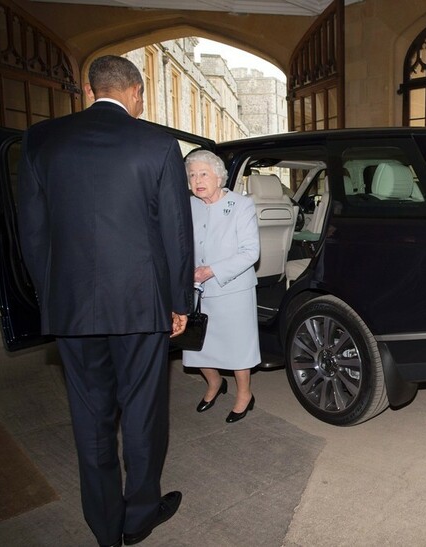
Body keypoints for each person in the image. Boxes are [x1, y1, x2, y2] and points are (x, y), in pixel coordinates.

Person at [17, 55, 193, 546]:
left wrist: (51, 295)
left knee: (90, 416)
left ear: (89, 90)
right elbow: (176, 233)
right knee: (142, 413)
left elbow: (31, 231)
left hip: (71, 306)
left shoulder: (41, 140)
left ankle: (104, 525)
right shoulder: (158, 143)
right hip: (141, 305)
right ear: (135, 92)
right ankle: (139, 517)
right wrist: (179, 301)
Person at [183, 150, 261, 423]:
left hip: (233, 288)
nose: (197, 180)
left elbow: (251, 252)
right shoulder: (189, 205)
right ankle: (215, 383)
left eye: (203, 174)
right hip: (196, 288)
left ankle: (245, 394)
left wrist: (211, 271)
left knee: (237, 346)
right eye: (192, 175)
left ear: (219, 177)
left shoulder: (241, 205)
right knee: (196, 342)